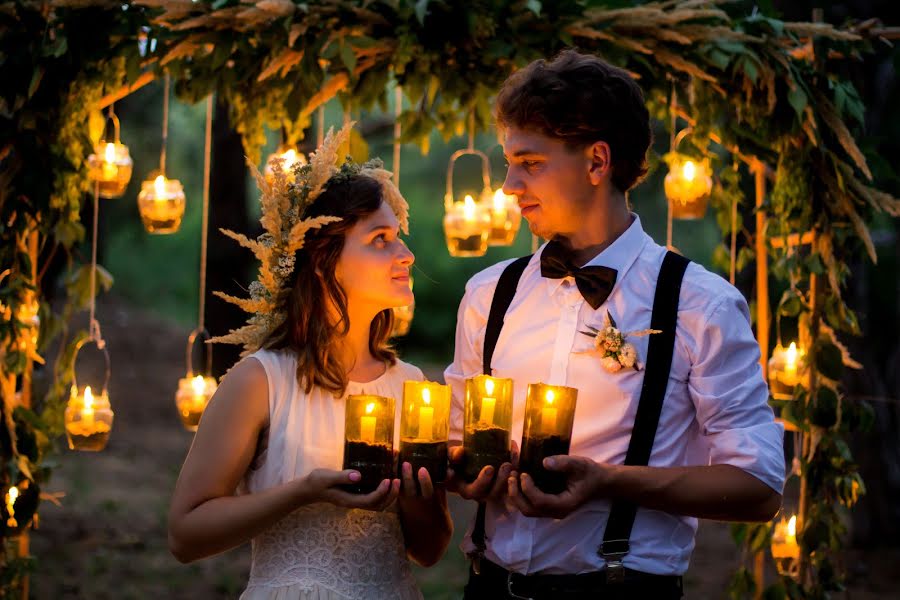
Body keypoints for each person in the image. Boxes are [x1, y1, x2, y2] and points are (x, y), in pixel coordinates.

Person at [444, 49, 785, 599]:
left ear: (597, 162)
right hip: (488, 588)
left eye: (530, 163)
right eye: (509, 162)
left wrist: (611, 483)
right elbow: (457, 442)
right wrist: (463, 469)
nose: (508, 185)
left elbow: (758, 487)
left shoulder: (701, 304)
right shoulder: (488, 294)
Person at [168, 125, 452, 600]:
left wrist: (419, 497)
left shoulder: (412, 385)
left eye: (399, 237)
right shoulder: (260, 381)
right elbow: (185, 534)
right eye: (380, 238)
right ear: (324, 261)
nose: (406, 254)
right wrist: (304, 491)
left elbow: (429, 549)